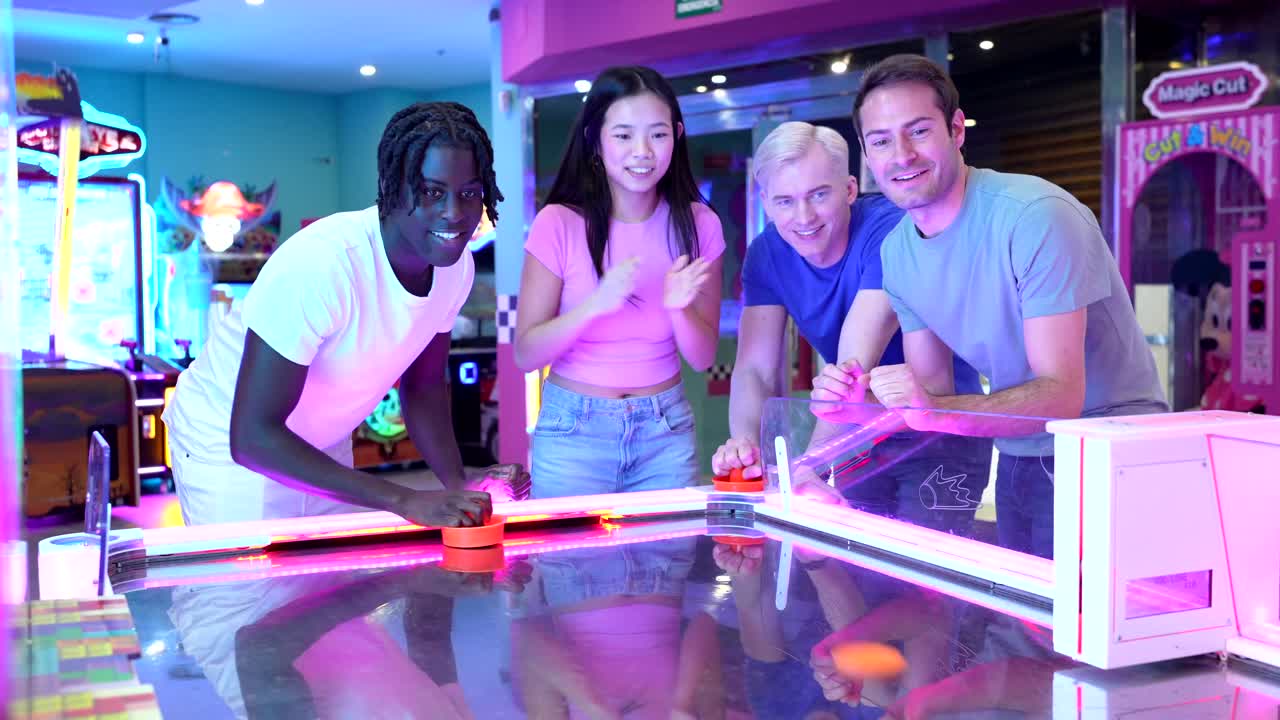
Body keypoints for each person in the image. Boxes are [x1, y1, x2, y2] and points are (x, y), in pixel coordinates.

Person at [825, 53, 1167, 558]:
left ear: (957, 130)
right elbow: (935, 393)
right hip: (1017, 453)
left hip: (1106, 449)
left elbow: (1060, 397)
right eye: (881, 141)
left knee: (1079, 633)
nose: (901, 155)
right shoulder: (897, 252)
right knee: (1022, 628)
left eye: (918, 131)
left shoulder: (1034, 216)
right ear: (867, 155)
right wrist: (863, 407)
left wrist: (931, 408)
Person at [163, 101, 527, 528]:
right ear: (393, 188)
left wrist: (457, 486)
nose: (455, 213)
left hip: (322, 440)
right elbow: (252, 438)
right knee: (247, 592)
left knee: (331, 584)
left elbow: (424, 386)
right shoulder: (324, 264)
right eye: (432, 191)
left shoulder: (455, 267)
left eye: (469, 193)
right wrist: (404, 500)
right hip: (226, 446)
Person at [711, 121, 989, 534]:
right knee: (862, 570)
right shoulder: (766, 254)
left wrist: (808, 465)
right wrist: (745, 449)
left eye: (818, 195)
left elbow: (852, 366)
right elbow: (755, 368)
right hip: (858, 434)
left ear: (850, 189)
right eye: (785, 201)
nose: (803, 217)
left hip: (937, 427)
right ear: (765, 202)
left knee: (925, 585)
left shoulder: (890, 228)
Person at [515, 66, 725, 499]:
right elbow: (526, 353)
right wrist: (596, 303)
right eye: (624, 135)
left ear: (678, 135)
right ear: (595, 139)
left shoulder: (699, 224)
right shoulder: (558, 223)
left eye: (658, 134)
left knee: (668, 566)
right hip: (573, 431)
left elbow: (702, 358)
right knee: (570, 567)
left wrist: (678, 306)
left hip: (664, 431)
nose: (642, 151)